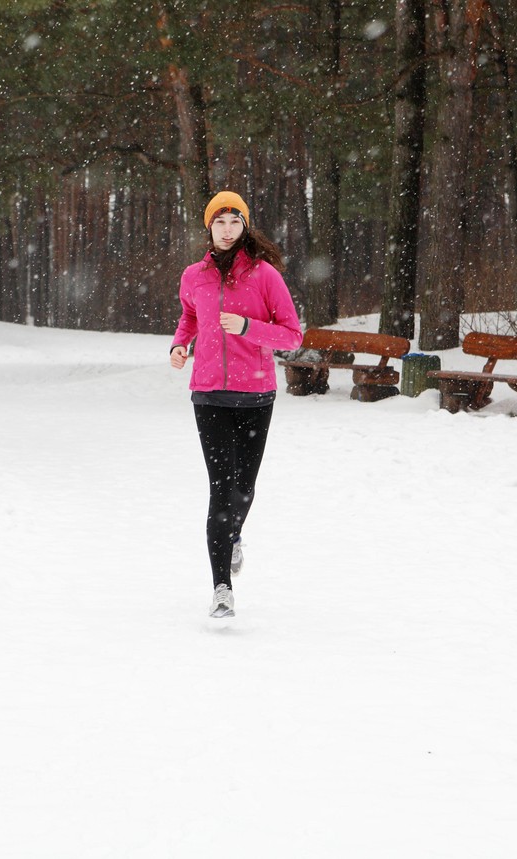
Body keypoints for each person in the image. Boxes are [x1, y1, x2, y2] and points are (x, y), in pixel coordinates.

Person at [169, 191, 302, 618]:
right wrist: (180, 344)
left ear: (245, 227)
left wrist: (247, 327)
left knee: (244, 488)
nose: (227, 230)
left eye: (234, 222)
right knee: (220, 490)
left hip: (256, 395)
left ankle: (234, 535)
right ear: (209, 228)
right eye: (219, 222)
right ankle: (221, 587)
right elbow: (190, 316)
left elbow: (292, 335)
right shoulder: (194, 276)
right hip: (208, 392)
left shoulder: (265, 276)